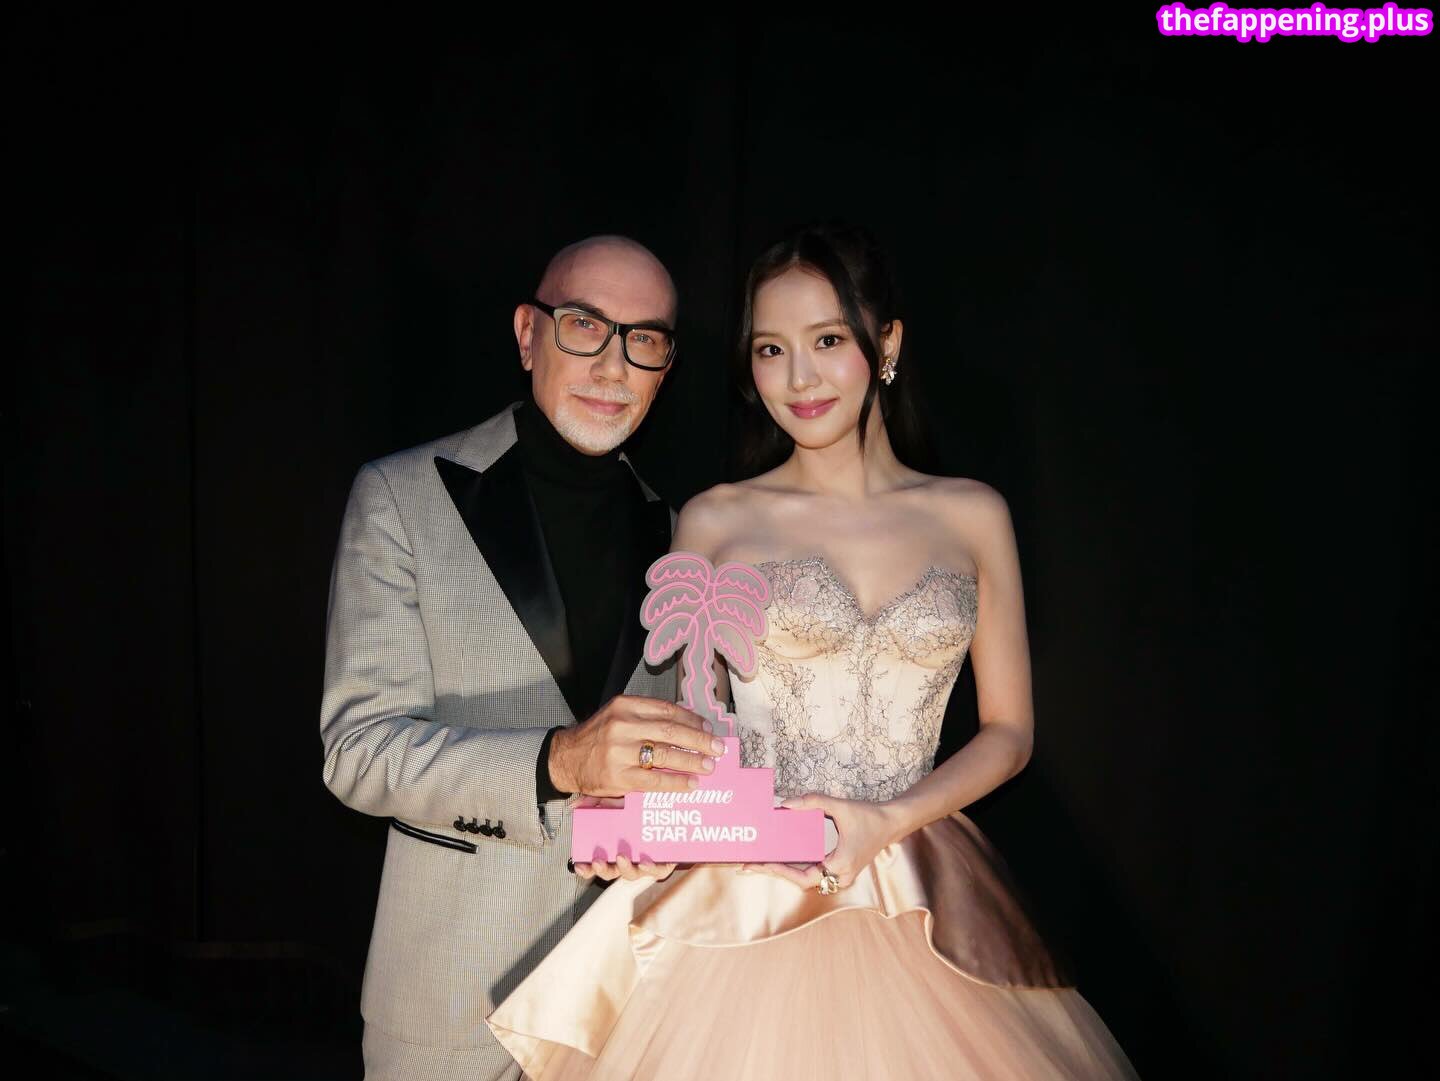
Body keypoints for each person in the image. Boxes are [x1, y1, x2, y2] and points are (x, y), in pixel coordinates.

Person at [486, 223, 1140, 1078]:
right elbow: (693, 724)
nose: (798, 377)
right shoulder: (716, 518)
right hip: (749, 895)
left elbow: (1010, 733)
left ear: (887, 344)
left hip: (919, 885)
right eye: (770, 349)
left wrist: (888, 820)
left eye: (827, 340)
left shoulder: (973, 514)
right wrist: (647, 824)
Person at [320, 235, 721, 1080]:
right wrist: (559, 761)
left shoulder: (684, 536)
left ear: (665, 368)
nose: (613, 365)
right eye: (585, 324)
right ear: (528, 333)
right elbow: (358, 751)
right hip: (454, 1001)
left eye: (644, 340)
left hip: (634, 1003)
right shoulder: (399, 497)